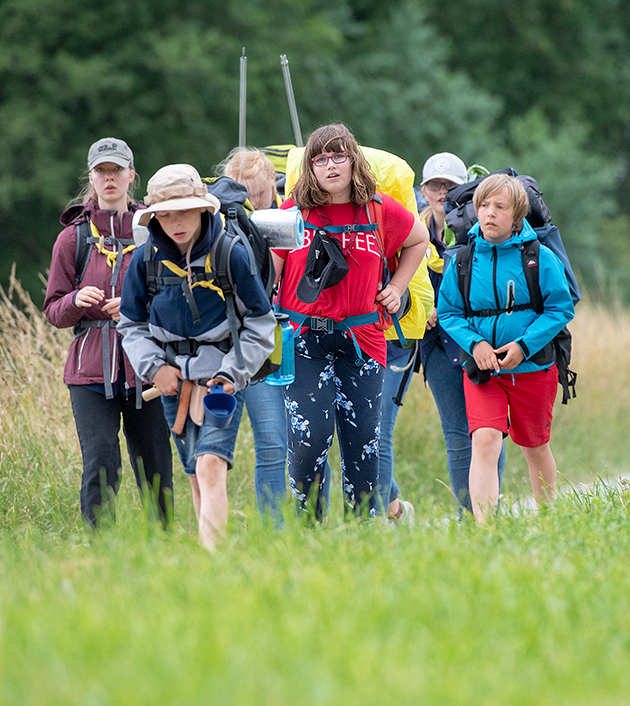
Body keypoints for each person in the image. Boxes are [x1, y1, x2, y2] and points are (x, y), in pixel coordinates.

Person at [275, 124, 429, 520]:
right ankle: (309, 530)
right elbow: (266, 270)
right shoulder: (292, 214)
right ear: (310, 166)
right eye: (320, 158)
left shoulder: (379, 210)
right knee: (309, 440)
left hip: (363, 339)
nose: (330, 165)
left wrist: (396, 286)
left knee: (363, 443)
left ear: (353, 160)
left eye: (338, 156)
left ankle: (362, 531)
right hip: (303, 338)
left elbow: (419, 238)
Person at [119, 164, 276, 550]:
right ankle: (210, 554)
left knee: (210, 465)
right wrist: (155, 369)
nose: (176, 222)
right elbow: (131, 325)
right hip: (172, 385)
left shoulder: (230, 254)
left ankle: (213, 560)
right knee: (194, 472)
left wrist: (232, 374)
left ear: (204, 210)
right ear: (154, 217)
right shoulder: (144, 260)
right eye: (167, 214)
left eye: (185, 212)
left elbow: (260, 324)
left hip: (222, 380)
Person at [44, 138, 173, 528]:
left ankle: (164, 541)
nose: (109, 178)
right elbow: (53, 310)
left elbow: (177, 299)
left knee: (155, 459)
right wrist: (77, 301)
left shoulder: (156, 231)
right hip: (89, 372)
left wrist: (138, 309)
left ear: (132, 175)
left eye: (117, 170)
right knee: (100, 458)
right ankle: (101, 544)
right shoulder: (73, 237)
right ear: (91, 177)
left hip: (147, 365)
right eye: (102, 171)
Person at [437, 173, 575, 523]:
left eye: (500, 207)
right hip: (486, 372)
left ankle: (548, 518)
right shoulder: (463, 260)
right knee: (484, 440)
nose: (490, 213)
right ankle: (487, 530)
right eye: (483, 205)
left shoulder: (539, 257)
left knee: (535, 447)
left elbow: (561, 307)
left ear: (516, 216)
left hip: (533, 370)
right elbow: (449, 312)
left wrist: (524, 346)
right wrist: (475, 343)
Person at [416, 152, 504, 516]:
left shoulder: (474, 227)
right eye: (434, 185)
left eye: (449, 185)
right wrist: (420, 310)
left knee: (488, 432)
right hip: (436, 346)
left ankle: (490, 514)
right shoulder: (413, 228)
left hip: (477, 342)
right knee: (456, 435)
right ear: (423, 190)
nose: (441, 192)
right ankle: (469, 516)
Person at [208, 147, 289, 522]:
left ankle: (278, 531)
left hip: (270, 347)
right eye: (244, 191)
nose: (251, 201)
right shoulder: (215, 222)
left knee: (275, 443)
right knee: (211, 449)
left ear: (272, 185)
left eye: (258, 192)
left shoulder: (287, 218)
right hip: (227, 345)